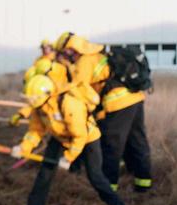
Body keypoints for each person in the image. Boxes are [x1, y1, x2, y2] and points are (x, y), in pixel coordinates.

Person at [14, 74, 126, 205]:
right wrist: (23, 148)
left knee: (95, 176)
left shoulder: (69, 104)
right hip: (60, 137)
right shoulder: (39, 108)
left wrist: (68, 158)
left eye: (32, 98)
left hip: (87, 139)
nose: (30, 102)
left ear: (43, 94)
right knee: (45, 173)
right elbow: (35, 131)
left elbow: (80, 135)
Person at [54, 32, 152, 192]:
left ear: (72, 49)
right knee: (137, 141)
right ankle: (143, 184)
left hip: (118, 103)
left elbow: (79, 89)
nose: (65, 56)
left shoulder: (84, 62)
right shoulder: (97, 54)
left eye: (65, 52)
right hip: (135, 98)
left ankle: (108, 188)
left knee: (110, 145)